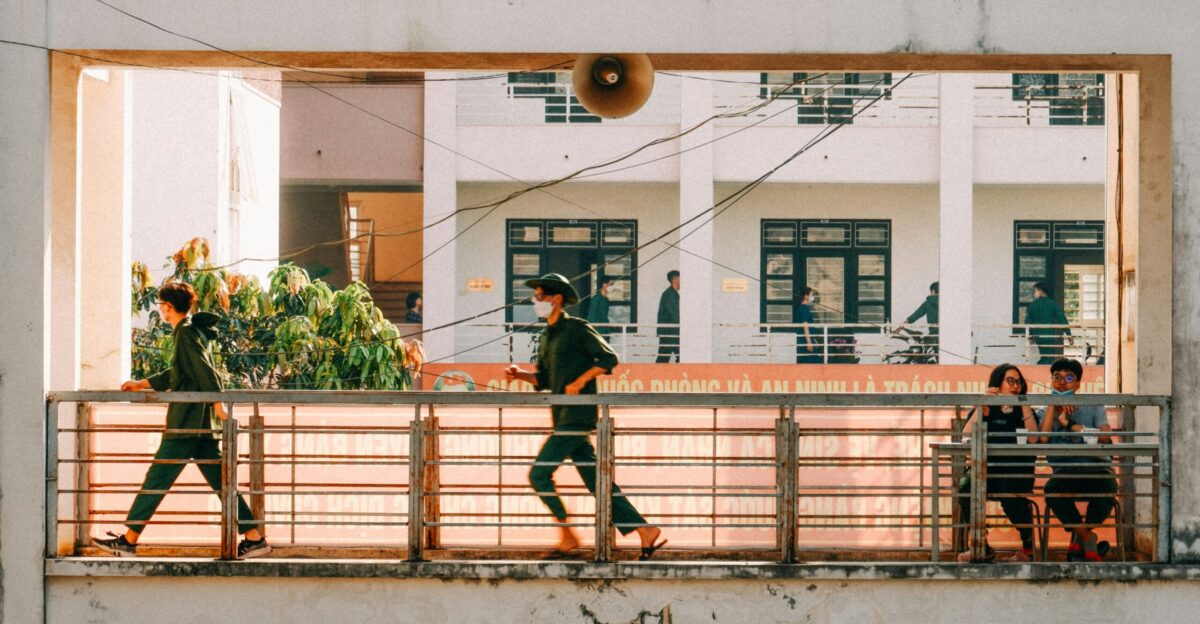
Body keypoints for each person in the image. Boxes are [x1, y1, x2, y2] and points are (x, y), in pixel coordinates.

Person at [94, 282, 269, 559]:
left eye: (161, 305)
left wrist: (218, 403)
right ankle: (254, 537)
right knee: (222, 483)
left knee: (156, 479)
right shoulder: (192, 332)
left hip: (186, 424)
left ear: (168, 307)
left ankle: (128, 540)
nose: (160, 309)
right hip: (200, 426)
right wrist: (142, 383)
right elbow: (180, 373)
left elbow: (204, 371)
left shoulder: (185, 333)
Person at [505, 273, 666, 560]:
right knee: (597, 481)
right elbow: (543, 379)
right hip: (562, 417)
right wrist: (521, 375)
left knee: (539, 474)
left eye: (540, 296)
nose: (536, 301)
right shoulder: (546, 336)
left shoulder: (577, 329)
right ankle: (644, 530)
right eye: (536, 297)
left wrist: (580, 382)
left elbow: (608, 359)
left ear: (557, 299)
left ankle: (567, 533)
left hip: (577, 417)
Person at [956, 364, 1041, 563]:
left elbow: (1035, 439)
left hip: (1016, 472)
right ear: (997, 383)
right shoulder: (986, 407)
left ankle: (1028, 548)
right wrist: (982, 405)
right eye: (1010, 381)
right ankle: (980, 546)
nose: (1015, 385)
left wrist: (1023, 403)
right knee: (966, 486)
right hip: (986, 471)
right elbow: (966, 434)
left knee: (1011, 493)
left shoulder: (1024, 411)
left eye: (1019, 382)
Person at [1036, 357, 1115, 562]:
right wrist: (1054, 406)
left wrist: (1069, 424)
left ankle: (1079, 540)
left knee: (1108, 490)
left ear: (1078, 383)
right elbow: (1043, 439)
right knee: (1052, 491)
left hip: (1098, 469)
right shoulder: (1044, 411)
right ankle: (1088, 538)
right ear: (1051, 381)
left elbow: (1105, 436)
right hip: (1064, 472)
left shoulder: (1092, 405)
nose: (1062, 382)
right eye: (1057, 377)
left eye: (1069, 378)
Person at [1026, 282, 1071, 365]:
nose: (1034, 293)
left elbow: (1028, 321)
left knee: (1045, 357)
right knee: (1048, 358)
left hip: (1038, 336)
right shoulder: (1052, 304)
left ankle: (1040, 370)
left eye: (1035, 291)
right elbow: (1061, 319)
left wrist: (1030, 336)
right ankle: (1041, 370)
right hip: (1050, 335)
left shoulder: (1033, 305)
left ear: (1040, 291)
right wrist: (1068, 334)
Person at [655, 270, 680, 363]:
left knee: (664, 358)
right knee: (663, 358)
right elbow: (674, 315)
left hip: (671, 332)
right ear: (676, 279)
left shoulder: (672, 294)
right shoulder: (670, 295)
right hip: (670, 333)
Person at [794, 287, 821, 364]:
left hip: (805, 340)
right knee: (809, 363)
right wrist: (809, 342)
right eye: (811, 295)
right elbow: (805, 325)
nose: (813, 297)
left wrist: (813, 339)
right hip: (804, 341)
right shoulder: (804, 309)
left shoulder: (802, 308)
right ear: (806, 296)